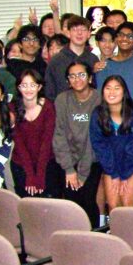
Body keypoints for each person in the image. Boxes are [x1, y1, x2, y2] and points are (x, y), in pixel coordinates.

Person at [53, 61, 103, 227]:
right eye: (72, 76)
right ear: (68, 81)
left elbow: (93, 139)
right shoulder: (62, 99)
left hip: (92, 159)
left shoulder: (99, 99)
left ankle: (95, 239)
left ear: (89, 78)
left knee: (88, 199)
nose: (77, 79)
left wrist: (81, 173)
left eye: (81, 75)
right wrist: (69, 169)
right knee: (71, 202)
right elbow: (59, 134)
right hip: (69, 159)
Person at [89, 75, 133, 211]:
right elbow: (100, 146)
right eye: (108, 88)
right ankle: (117, 232)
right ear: (102, 91)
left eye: (117, 88)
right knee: (113, 204)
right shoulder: (97, 114)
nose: (112, 92)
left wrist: (125, 174)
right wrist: (115, 174)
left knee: (127, 199)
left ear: (124, 92)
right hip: (112, 163)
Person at [10, 70, 60, 198]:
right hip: (21, 163)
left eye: (32, 85)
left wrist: (40, 175)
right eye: (24, 85)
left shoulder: (48, 107)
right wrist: (31, 175)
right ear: (18, 87)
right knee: (27, 205)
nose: (28, 89)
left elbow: (46, 143)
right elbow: (19, 144)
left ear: (39, 87)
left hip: (46, 162)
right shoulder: (12, 108)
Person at [97, 22, 133, 109]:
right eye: (121, 35)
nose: (125, 39)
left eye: (130, 36)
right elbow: (100, 98)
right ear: (116, 38)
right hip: (111, 119)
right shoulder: (104, 66)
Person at [45, 17, 98, 100]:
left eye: (83, 29)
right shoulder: (56, 60)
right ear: (68, 33)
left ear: (89, 34)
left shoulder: (93, 59)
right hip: (62, 109)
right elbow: (49, 91)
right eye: (75, 29)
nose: (79, 33)